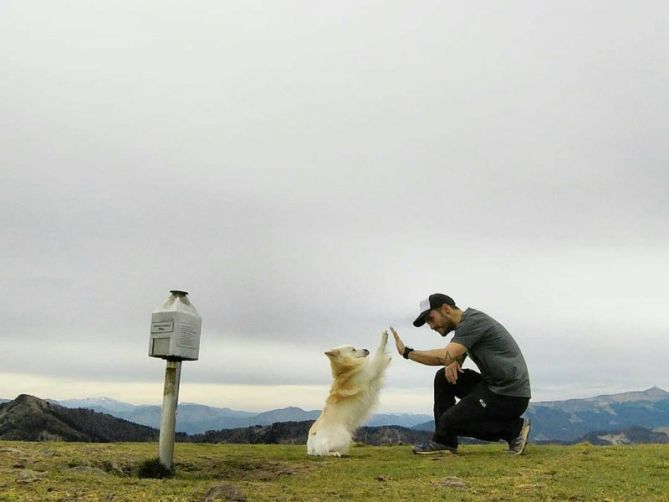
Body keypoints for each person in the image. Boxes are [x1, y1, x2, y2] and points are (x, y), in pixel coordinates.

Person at [391, 293, 532, 455]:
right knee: (443, 377)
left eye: (431, 318)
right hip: (494, 386)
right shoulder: (467, 325)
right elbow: (455, 355)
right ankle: (444, 442)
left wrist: (407, 353)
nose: (431, 326)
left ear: (446, 309)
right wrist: (455, 362)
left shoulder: (472, 322)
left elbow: (444, 356)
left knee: (450, 422)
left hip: (510, 396)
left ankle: (514, 430)